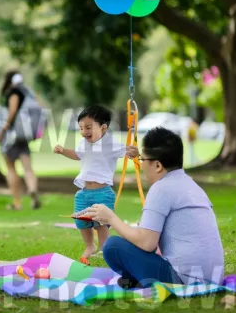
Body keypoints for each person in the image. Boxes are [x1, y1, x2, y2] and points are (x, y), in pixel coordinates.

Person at [85, 127, 225, 288]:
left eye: (142, 160)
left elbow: (147, 244)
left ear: (157, 165)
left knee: (112, 246)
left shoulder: (161, 188)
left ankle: (137, 278)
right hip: (214, 278)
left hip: (183, 280)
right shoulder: (193, 186)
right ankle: (136, 278)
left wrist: (111, 218)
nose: (141, 165)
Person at [54, 106, 138, 264]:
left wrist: (134, 152)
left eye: (88, 127)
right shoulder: (83, 143)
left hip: (103, 192)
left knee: (101, 223)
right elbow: (77, 155)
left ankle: (105, 248)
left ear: (103, 127)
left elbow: (128, 151)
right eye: (81, 128)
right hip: (84, 192)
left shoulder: (111, 144)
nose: (84, 131)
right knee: (80, 220)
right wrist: (63, 150)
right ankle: (90, 245)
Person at [0, 70, 41, 211]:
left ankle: (17, 202)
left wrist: (3, 129)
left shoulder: (13, 93)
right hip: (25, 135)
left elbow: (12, 112)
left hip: (11, 136)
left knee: (11, 168)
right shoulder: (28, 93)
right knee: (28, 167)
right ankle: (32, 189)